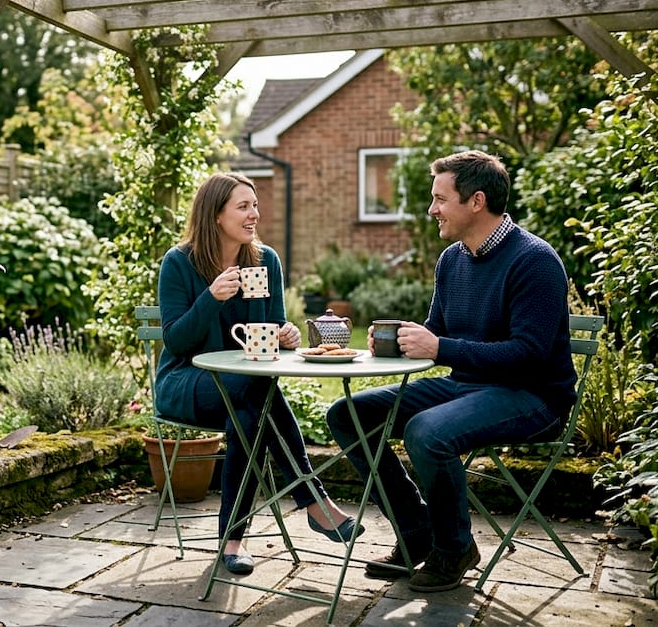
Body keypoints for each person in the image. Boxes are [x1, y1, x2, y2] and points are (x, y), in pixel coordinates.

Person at [325, 150, 576, 592]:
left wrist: (440, 347)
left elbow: (530, 354)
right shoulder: (452, 260)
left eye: (440, 199)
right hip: (466, 387)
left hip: (533, 395)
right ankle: (417, 530)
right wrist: (403, 344)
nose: (431, 209)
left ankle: (455, 547)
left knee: (427, 431)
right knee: (347, 415)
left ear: (476, 201)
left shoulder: (534, 260)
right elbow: (438, 333)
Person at [156, 171, 362, 577]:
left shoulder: (265, 260)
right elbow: (177, 342)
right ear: (215, 214)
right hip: (186, 382)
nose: (255, 214)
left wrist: (286, 334)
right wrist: (210, 298)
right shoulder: (179, 263)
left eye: (256, 206)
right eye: (244, 206)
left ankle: (232, 540)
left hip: (246, 391)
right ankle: (315, 502)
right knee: (256, 393)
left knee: (249, 416)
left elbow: (272, 328)